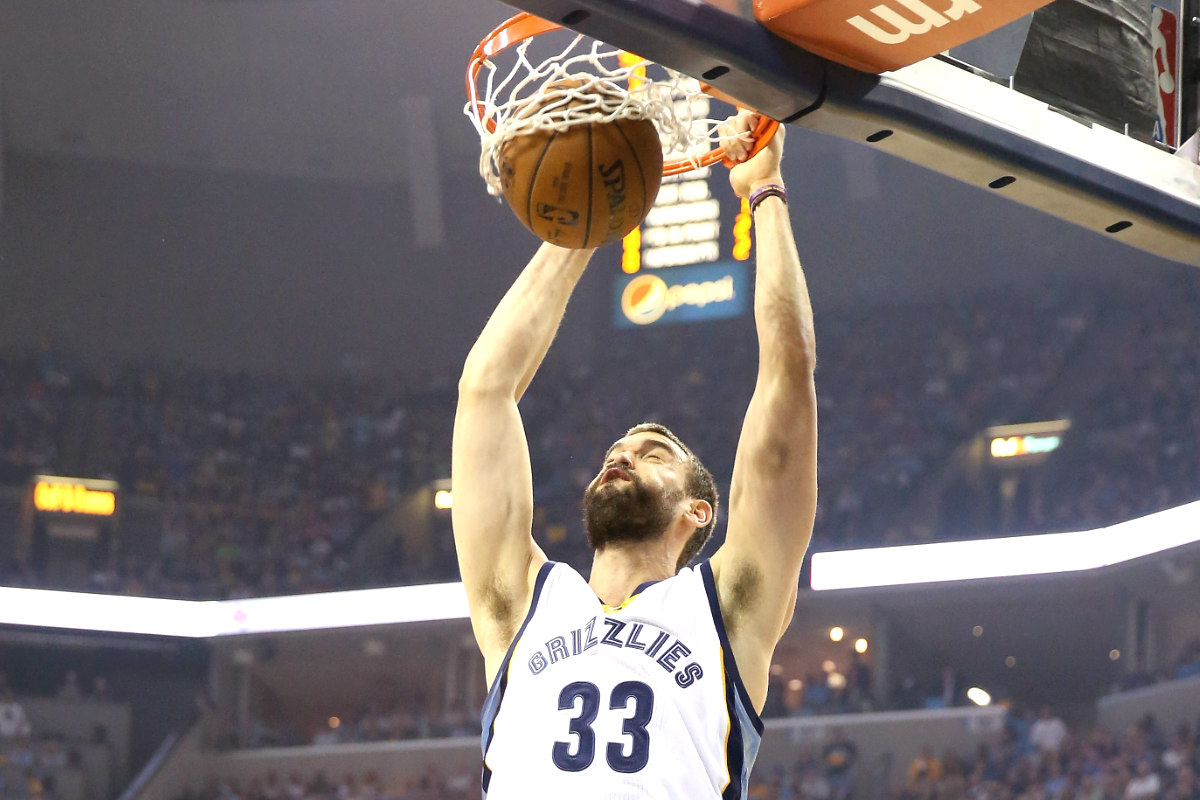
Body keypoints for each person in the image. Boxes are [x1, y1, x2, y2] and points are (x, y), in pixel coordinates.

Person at [452, 112, 816, 799]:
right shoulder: (523, 601)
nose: (622, 454)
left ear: (697, 511)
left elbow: (787, 380)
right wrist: (588, 223)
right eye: (618, 449)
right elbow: (485, 390)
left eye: (652, 453)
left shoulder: (727, 606)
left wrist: (765, 194)